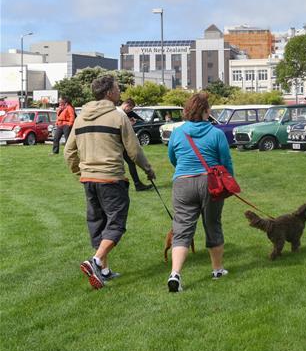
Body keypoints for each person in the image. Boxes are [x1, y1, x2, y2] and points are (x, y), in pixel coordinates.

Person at [65, 75, 156, 290]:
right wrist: (148, 170)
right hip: (111, 178)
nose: (119, 91)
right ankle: (95, 262)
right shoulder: (119, 116)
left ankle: (104, 271)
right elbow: (134, 150)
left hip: (89, 179)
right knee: (116, 224)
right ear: (108, 93)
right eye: (117, 88)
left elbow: (69, 152)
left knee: (98, 224)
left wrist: (80, 173)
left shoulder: (80, 118)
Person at [166, 92, 233, 292]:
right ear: (206, 111)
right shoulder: (216, 133)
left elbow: (173, 158)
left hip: (182, 183)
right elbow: (226, 162)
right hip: (210, 182)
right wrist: (229, 181)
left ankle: (175, 274)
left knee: (182, 229)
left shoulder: (177, 132)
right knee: (213, 224)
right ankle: (217, 269)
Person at [117, 98, 152, 192]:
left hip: (119, 142)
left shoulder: (118, 112)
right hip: (121, 143)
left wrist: (129, 122)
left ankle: (137, 184)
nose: (130, 111)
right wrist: (130, 123)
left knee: (130, 162)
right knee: (129, 162)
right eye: (130, 109)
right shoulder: (121, 113)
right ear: (127, 105)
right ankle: (136, 184)